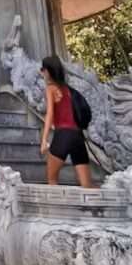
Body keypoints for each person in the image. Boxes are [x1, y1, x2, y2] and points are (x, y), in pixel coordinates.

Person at [39, 54, 94, 187]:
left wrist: (44, 139)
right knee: (87, 186)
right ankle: (97, 208)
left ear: (47, 71)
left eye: (42, 69)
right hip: (78, 137)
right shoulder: (69, 90)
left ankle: (54, 208)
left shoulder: (51, 89)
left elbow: (50, 114)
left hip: (63, 135)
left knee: (52, 180)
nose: (41, 72)